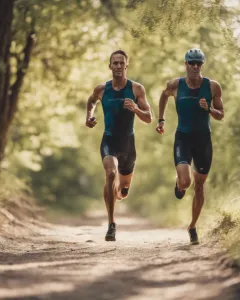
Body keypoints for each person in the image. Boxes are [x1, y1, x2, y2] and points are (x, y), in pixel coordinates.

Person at [155, 48, 224, 245]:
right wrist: (161, 120)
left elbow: (221, 115)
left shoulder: (212, 87)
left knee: (200, 186)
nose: (195, 66)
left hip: (203, 140)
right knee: (186, 182)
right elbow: (163, 95)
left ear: (202, 65)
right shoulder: (176, 85)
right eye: (191, 63)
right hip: (183, 138)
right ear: (185, 64)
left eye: (198, 63)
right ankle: (179, 183)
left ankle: (192, 226)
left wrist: (209, 109)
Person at [85, 49, 153, 241]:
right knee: (110, 174)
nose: (118, 66)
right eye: (114, 63)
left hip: (128, 145)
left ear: (126, 66)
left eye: (121, 63)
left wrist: (136, 109)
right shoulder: (101, 90)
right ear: (110, 66)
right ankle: (111, 224)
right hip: (109, 140)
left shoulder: (136, 89)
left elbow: (149, 118)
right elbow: (91, 102)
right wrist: (89, 117)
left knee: (122, 191)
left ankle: (118, 190)